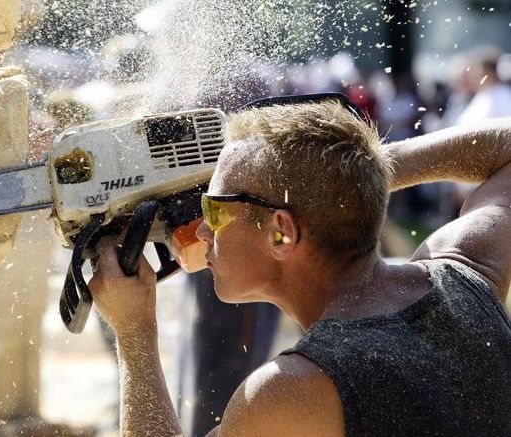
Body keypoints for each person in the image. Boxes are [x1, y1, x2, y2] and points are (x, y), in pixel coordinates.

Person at [88, 93, 511, 436]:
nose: (201, 232)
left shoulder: (294, 389)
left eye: (213, 211)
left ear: (281, 233)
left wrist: (134, 334)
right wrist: (353, 179)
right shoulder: (463, 274)